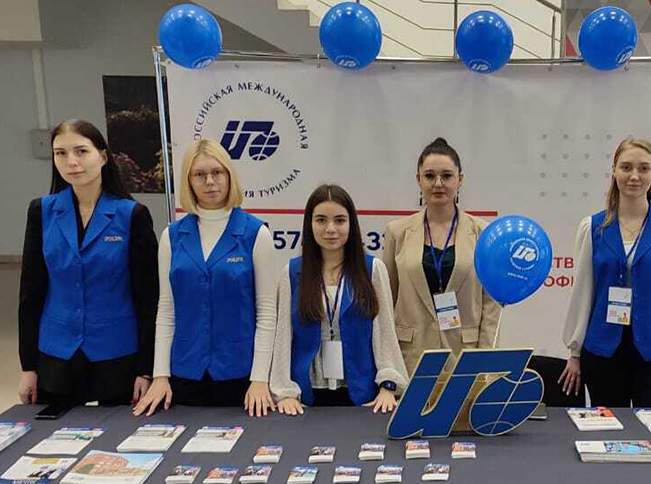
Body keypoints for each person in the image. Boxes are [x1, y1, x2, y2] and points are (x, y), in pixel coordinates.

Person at [18, 120, 158, 407]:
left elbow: (148, 299)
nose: (71, 162)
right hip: (57, 352)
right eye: (61, 153)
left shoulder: (132, 215)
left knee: (120, 431)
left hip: (116, 352)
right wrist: (28, 367)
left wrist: (146, 369)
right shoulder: (42, 212)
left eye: (81, 151)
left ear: (103, 156)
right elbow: (31, 294)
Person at [133, 139, 277, 417]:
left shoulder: (256, 233)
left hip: (241, 376)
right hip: (185, 373)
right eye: (199, 174)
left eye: (217, 172)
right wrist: (160, 375)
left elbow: (267, 312)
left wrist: (260, 378)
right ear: (188, 181)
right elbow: (166, 310)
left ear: (229, 176)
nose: (210, 181)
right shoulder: (171, 236)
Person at [559, 138, 651, 408]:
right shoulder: (593, 227)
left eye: (643, 168)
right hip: (602, 353)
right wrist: (574, 352)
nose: (634, 176)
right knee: (608, 428)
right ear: (614, 171)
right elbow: (582, 293)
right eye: (626, 167)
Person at [271, 184, 408, 414]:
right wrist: (285, 393)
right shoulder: (292, 272)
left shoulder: (372, 269)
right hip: (306, 396)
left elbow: (385, 331)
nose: (330, 229)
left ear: (351, 224)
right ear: (309, 224)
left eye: (340, 220)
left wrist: (388, 386)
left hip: (362, 394)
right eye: (321, 220)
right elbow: (283, 336)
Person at [382, 137, 501, 375]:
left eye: (446, 176)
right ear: (418, 179)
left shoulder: (484, 233)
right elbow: (386, 301)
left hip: (465, 357)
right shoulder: (397, 232)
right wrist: (387, 364)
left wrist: (486, 361)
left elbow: (491, 304)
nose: (438, 183)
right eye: (429, 176)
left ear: (460, 179)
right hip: (409, 357)